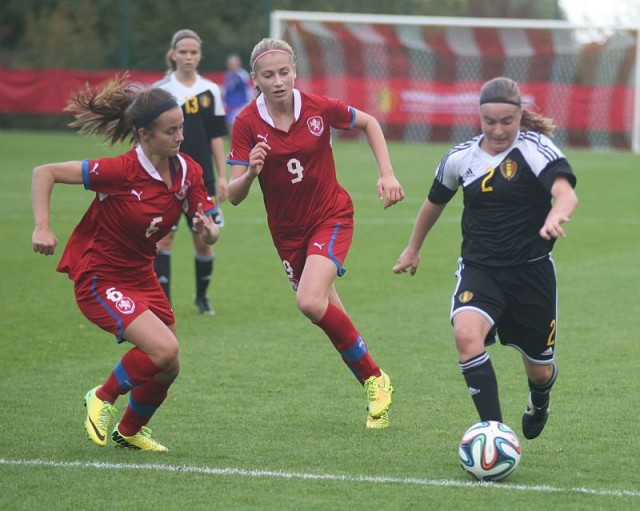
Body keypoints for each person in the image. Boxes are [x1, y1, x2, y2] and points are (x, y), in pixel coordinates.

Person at [31, 75, 220, 451]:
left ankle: (130, 431)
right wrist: (42, 227)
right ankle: (101, 397)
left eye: (181, 127)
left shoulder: (189, 171)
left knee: (169, 365)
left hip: (141, 276)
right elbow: (44, 173)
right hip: (99, 278)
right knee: (163, 350)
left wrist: (207, 228)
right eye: (170, 131)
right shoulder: (119, 172)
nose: (180, 136)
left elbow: (210, 229)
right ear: (145, 134)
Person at [226, 38, 405, 429]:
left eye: (284, 72)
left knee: (310, 302)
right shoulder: (246, 123)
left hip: (330, 215)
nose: (278, 81)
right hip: (287, 235)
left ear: (295, 72)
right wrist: (251, 172)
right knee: (329, 312)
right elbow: (233, 195)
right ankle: (375, 387)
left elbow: (369, 122)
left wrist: (387, 173)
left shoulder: (319, 108)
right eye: (268, 75)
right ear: (255, 79)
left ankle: (376, 380)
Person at [393, 77, 578, 440]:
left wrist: (558, 214)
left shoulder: (536, 149)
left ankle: (539, 399)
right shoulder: (461, 158)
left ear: (520, 115)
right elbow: (434, 203)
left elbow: (565, 193)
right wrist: (413, 247)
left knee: (540, 372)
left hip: (531, 275)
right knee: (465, 335)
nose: (497, 130)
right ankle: (494, 432)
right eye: (489, 121)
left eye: (506, 122)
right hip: (481, 271)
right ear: (479, 117)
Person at [153, 29, 228, 315]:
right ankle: (164, 304)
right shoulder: (161, 90)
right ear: (173, 55)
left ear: (200, 55)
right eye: (183, 52)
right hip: (165, 179)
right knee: (163, 239)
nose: (188, 57)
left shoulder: (211, 90)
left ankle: (202, 298)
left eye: (193, 52)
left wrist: (221, 176)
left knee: (204, 239)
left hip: (201, 180)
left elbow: (216, 137)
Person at [223, 53, 253, 129]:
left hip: (240, 105)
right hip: (230, 105)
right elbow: (226, 91)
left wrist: (248, 103)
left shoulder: (242, 75)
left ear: (238, 64)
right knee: (230, 127)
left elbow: (248, 90)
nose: (231, 66)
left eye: (233, 64)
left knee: (237, 126)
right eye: (230, 64)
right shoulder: (228, 75)